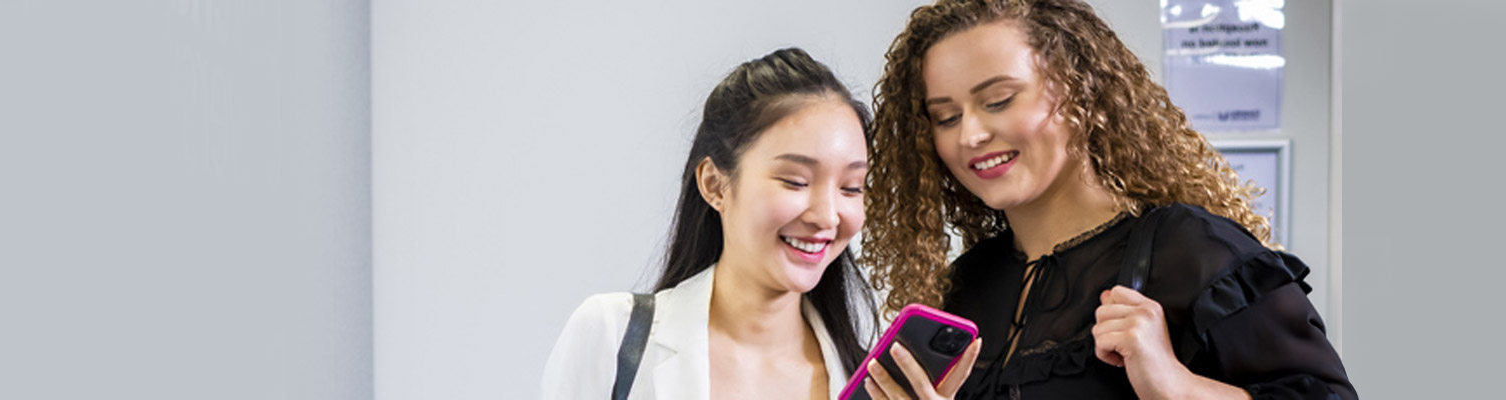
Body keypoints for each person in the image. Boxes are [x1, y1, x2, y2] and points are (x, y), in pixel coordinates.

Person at [857, 1, 1356, 399]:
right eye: (945, 117)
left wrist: (1177, 388)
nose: (970, 134)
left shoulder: (1191, 252)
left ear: (1078, 94)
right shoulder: (966, 289)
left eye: (998, 100)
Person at [542, 47, 895, 399]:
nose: (827, 215)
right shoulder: (612, 337)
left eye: (851, 188)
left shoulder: (872, 385)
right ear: (714, 184)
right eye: (796, 181)